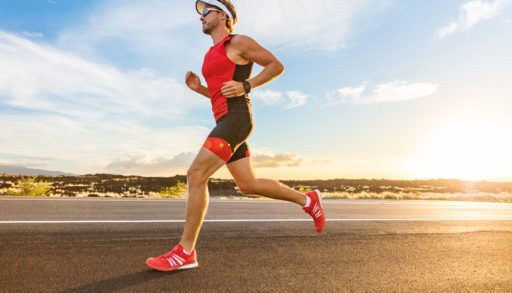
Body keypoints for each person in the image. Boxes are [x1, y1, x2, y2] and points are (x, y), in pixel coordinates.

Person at [145, 0, 325, 272]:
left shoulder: (238, 42)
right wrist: (200, 90)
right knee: (248, 184)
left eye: (205, 12)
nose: (201, 18)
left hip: (237, 120)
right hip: (226, 120)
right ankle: (308, 200)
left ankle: (185, 252)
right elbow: (221, 92)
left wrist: (247, 85)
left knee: (196, 174)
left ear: (221, 15)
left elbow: (276, 65)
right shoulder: (210, 54)